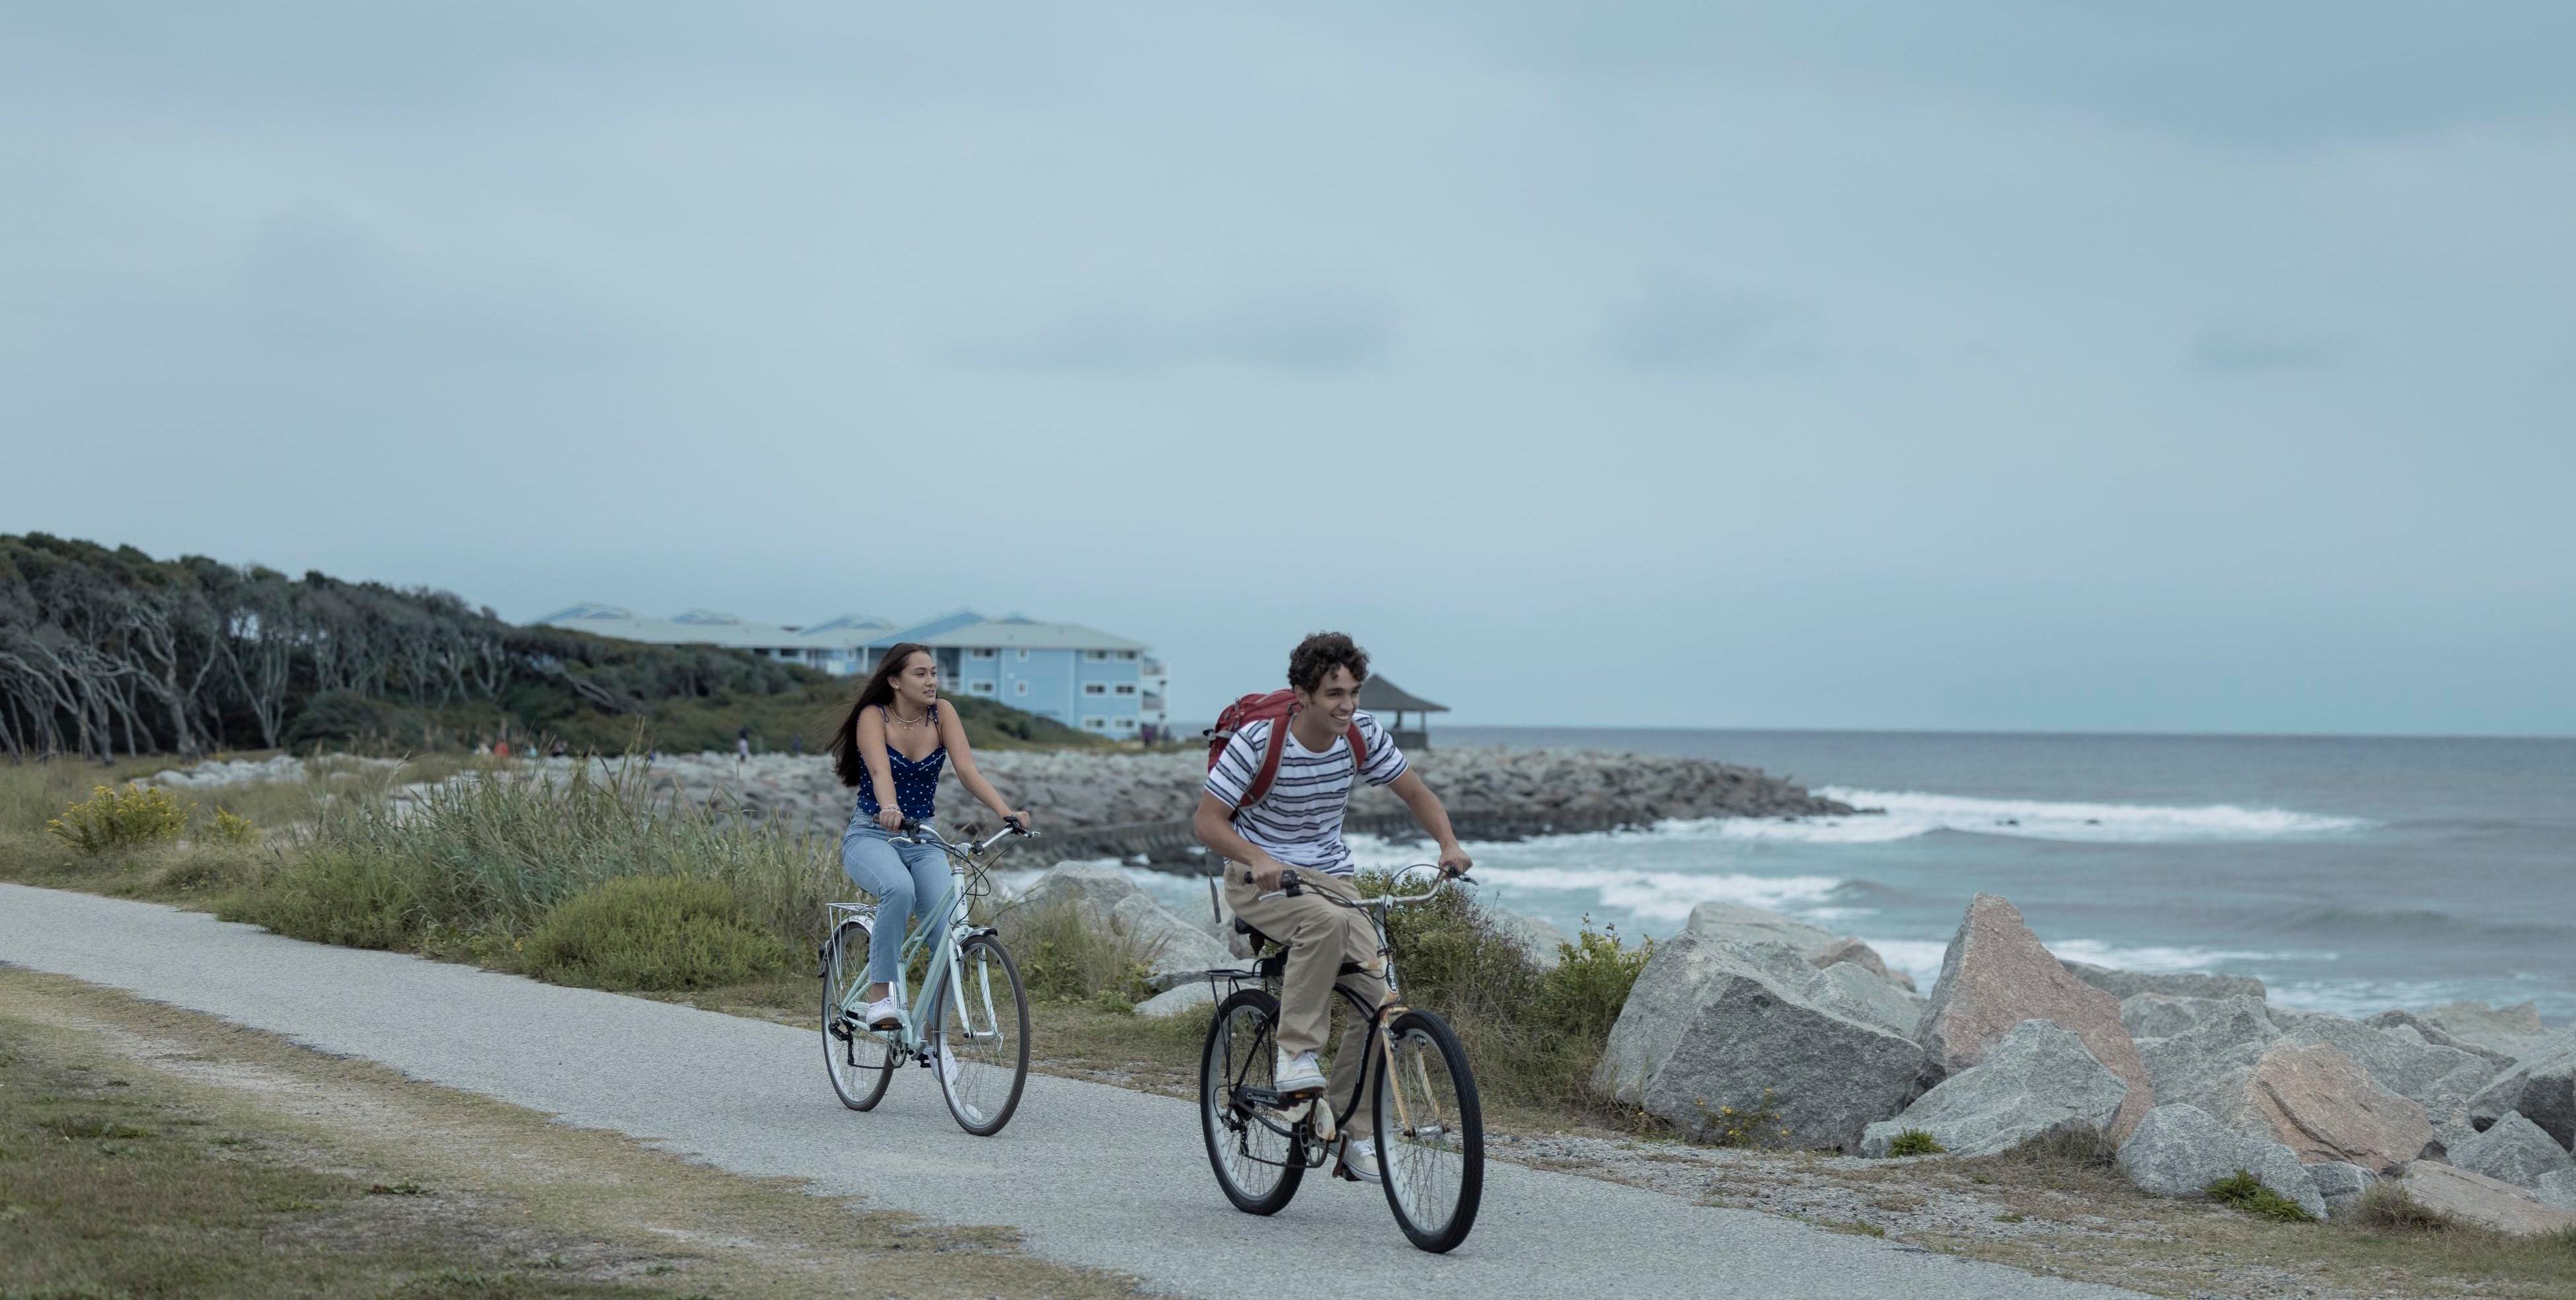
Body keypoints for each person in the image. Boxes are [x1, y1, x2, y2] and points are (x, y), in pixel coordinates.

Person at [1191, 632, 1471, 1183]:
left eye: (1354, 691)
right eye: (1333, 693)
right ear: (1302, 694)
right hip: (1259, 877)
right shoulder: (1258, 741)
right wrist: (1257, 856)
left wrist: (1449, 843)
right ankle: (1294, 1054)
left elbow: (1416, 792)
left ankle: (1348, 1130)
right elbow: (1206, 821)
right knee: (1324, 921)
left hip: (1332, 879)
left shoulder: (1362, 735)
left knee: (1380, 997)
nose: (1347, 704)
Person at [826, 642, 1033, 1032]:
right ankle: (880, 996)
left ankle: (935, 1039)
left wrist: (1006, 812)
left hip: (923, 838)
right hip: (872, 833)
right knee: (898, 889)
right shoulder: (874, 716)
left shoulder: (943, 715)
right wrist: (889, 809)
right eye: (920, 674)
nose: (931, 681)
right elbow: (880, 772)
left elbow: (969, 772)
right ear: (895, 681)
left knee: (951, 936)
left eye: (934, 673)